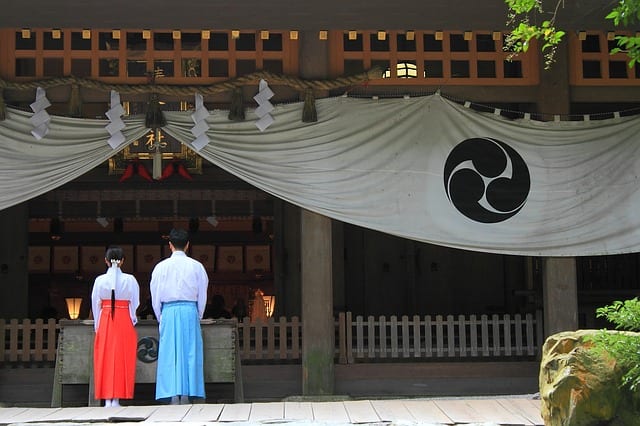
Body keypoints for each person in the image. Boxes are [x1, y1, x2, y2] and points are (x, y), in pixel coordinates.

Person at [150, 228, 209, 404]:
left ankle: (172, 395)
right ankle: (189, 394)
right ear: (188, 245)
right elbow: (202, 293)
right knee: (190, 352)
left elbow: (155, 294)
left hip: (168, 310)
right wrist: (198, 313)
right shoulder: (197, 266)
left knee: (169, 353)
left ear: (170, 245)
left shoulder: (160, 267)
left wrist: (160, 316)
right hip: (190, 309)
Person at [91, 245, 140, 408]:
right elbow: (135, 302)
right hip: (123, 317)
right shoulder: (130, 280)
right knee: (121, 357)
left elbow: (95, 303)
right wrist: (132, 317)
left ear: (106, 261)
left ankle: (107, 399)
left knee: (105, 357)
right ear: (122, 261)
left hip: (105, 318)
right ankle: (117, 398)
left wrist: (98, 325)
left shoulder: (100, 280)